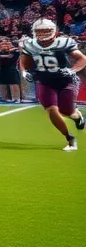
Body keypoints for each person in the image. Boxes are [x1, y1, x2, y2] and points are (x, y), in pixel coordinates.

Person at [18, 19, 86, 151]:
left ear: (54, 31)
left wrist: (72, 70)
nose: (43, 34)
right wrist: (24, 72)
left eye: (46, 31)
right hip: (44, 81)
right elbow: (24, 60)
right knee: (52, 110)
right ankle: (69, 138)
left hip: (65, 80)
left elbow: (82, 58)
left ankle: (78, 117)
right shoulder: (30, 45)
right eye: (40, 31)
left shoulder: (63, 42)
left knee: (66, 111)